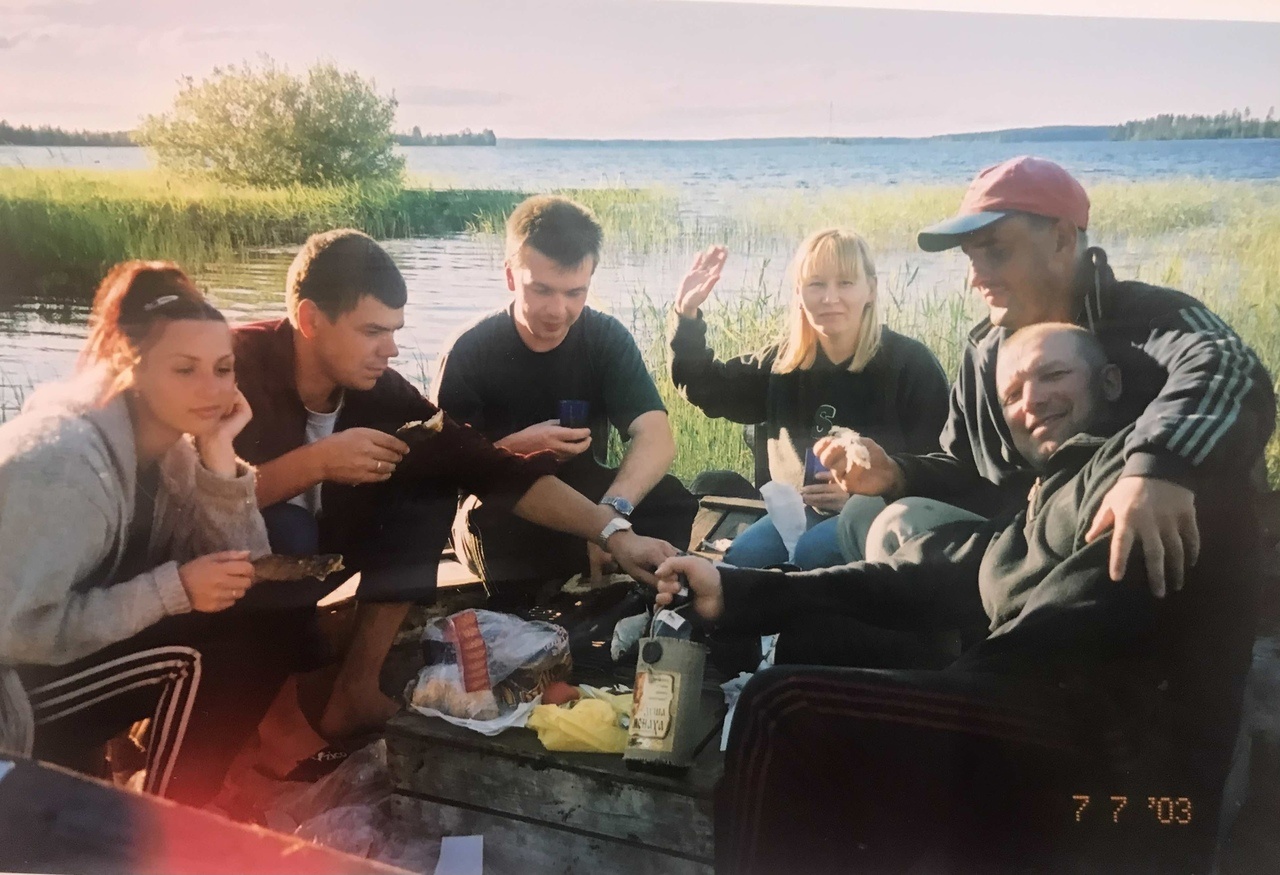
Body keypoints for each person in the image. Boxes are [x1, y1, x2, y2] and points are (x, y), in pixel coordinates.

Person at [655, 323, 1268, 874]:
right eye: (1013, 393)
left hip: (1103, 762)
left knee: (779, 704)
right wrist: (736, 589)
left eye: (1054, 375)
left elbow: (1068, 630)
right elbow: (924, 572)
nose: (1032, 400)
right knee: (819, 638)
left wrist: (934, 690)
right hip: (1032, 706)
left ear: (1109, 382)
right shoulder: (1052, 488)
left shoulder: (1134, 483)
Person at [232, 227, 678, 742]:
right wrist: (314, 463)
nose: (390, 350)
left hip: (321, 556)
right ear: (310, 319)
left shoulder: (382, 391)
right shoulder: (230, 366)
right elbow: (179, 502)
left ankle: (355, 690)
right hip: (218, 567)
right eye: (372, 331)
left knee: (429, 481)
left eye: (395, 331)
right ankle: (269, 715)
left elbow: (490, 467)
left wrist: (614, 533)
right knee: (287, 529)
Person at [834, 156, 1274, 598]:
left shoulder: (1148, 319)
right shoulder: (985, 352)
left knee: (898, 525)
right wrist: (897, 474)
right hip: (1017, 547)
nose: (975, 279)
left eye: (995, 252)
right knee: (862, 512)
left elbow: (1232, 367)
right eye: (970, 258)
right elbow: (966, 469)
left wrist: (1158, 469)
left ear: (1062, 239)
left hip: (1121, 554)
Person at [0, 261, 273, 807]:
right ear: (132, 368)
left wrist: (219, 455)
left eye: (223, 369)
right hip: (10, 694)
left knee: (253, 623)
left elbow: (248, 569)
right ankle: (165, 830)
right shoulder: (64, 465)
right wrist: (173, 591)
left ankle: (162, 806)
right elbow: (15, 632)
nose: (213, 389)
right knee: (199, 655)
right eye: (185, 370)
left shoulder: (169, 451)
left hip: (47, 671)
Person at [433, 195, 698, 588]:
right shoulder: (469, 350)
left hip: (590, 498)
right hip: (499, 500)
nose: (558, 310)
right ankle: (535, 609)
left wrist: (612, 514)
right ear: (510, 277)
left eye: (575, 292)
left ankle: (636, 599)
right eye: (542, 290)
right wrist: (516, 450)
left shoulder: (605, 337)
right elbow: (446, 473)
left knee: (671, 499)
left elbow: (655, 436)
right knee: (494, 520)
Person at [668, 230, 949, 569]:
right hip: (794, 513)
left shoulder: (910, 364)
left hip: (882, 514)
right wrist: (686, 314)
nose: (830, 297)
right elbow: (705, 388)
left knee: (814, 553)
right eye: (816, 284)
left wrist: (863, 496)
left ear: (871, 290)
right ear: (799, 293)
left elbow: (940, 466)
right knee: (741, 560)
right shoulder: (784, 363)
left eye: (845, 283)